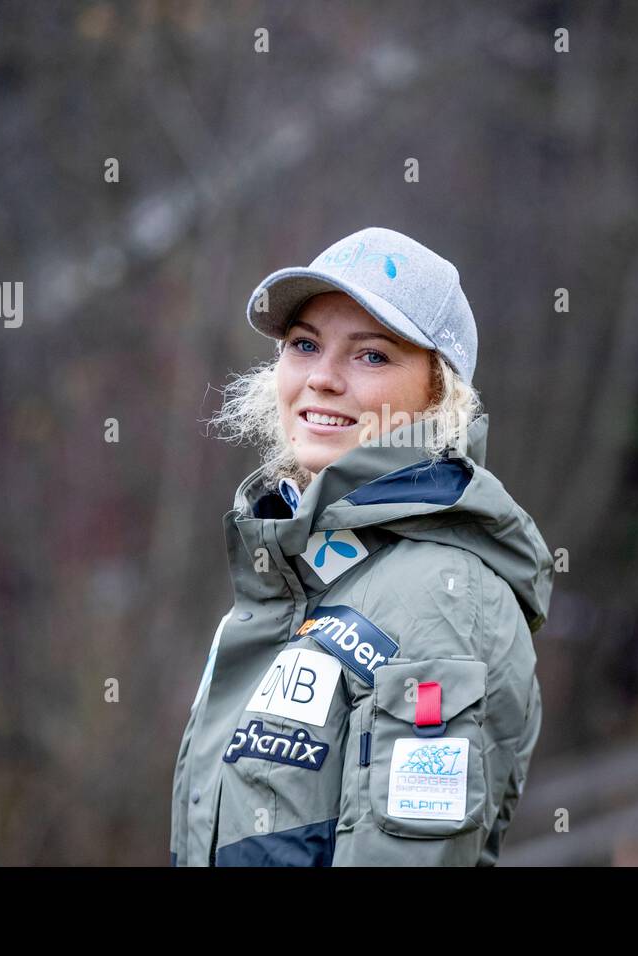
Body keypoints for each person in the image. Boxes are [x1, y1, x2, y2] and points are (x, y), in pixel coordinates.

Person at [169, 225, 554, 866]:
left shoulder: (444, 596)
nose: (322, 377)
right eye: (303, 344)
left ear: (441, 394)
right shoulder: (295, 573)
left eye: (370, 355)